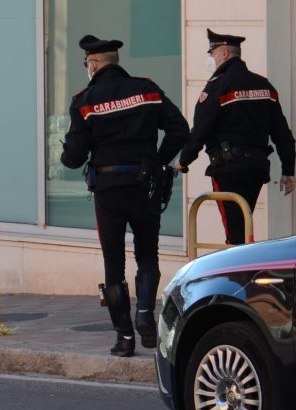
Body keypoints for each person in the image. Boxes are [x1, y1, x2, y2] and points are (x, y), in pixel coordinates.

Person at [61, 35, 189, 357]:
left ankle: (124, 338)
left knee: (113, 263)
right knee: (148, 254)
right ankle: (145, 312)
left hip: (108, 191)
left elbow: (73, 158)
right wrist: (158, 162)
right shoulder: (147, 88)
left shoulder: (85, 100)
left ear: (92, 64)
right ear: (115, 62)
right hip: (145, 186)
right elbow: (180, 130)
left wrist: (71, 150)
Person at [173, 29, 296, 245]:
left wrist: (183, 161)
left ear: (223, 54)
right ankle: (244, 268)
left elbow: (200, 131)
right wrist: (288, 169)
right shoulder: (264, 85)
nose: (209, 59)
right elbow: (282, 133)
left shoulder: (217, 86)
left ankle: (238, 275)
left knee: (234, 235)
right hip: (257, 168)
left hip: (228, 168)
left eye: (212, 54)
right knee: (244, 225)